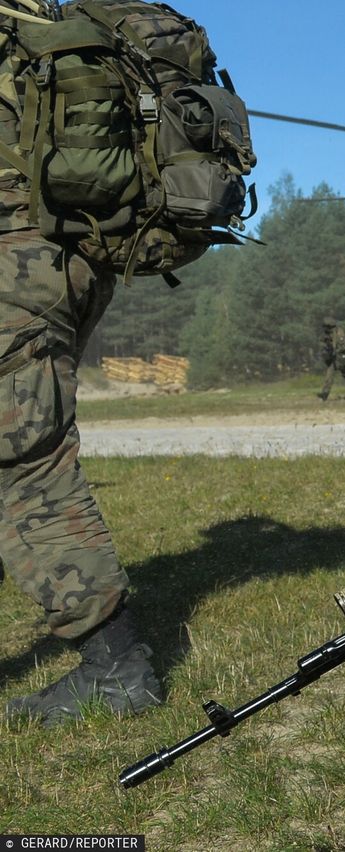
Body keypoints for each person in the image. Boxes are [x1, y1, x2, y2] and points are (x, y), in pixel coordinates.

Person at [0, 36, 161, 724]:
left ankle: (118, 667)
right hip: (61, 256)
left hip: (16, 265)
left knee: (25, 464)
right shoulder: (35, 26)